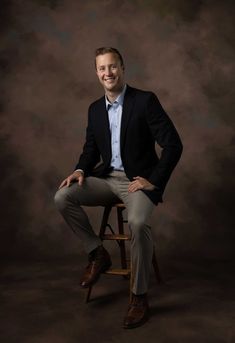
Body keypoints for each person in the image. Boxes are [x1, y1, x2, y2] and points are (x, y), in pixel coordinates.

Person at [54, 47, 183, 329]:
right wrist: (78, 170)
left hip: (137, 183)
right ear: (97, 73)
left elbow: (173, 145)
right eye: (102, 68)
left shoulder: (145, 101)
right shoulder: (94, 109)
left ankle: (138, 297)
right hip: (106, 179)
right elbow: (90, 150)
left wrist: (155, 179)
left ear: (122, 68)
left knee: (136, 223)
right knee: (63, 196)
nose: (108, 73)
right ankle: (96, 253)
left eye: (113, 67)